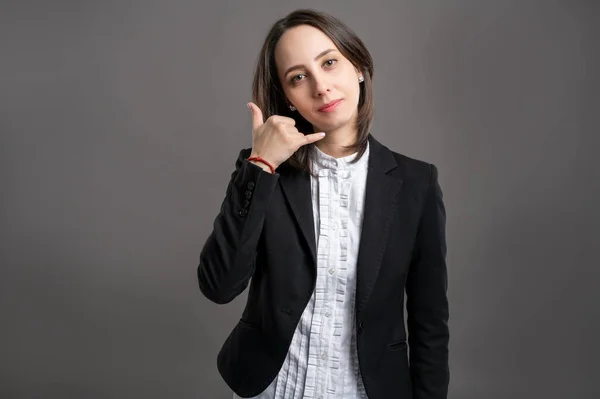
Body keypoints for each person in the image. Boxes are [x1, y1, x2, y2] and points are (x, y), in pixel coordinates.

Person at [197, 8, 449, 399]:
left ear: (359, 67)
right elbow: (219, 286)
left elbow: (429, 320)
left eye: (330, 63)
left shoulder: (416, 182)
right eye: (299, 77)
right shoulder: (264, 170)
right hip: (272, 389)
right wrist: (261, 165)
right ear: (289, 99)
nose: (320, 86)